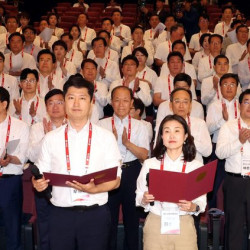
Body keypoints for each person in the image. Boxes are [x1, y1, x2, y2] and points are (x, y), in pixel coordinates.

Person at [32, 75, 122, 250]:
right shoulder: (51, 138)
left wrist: (95, 188)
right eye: (71, 98)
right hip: (60, 215)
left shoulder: (105, 137)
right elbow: (41, 174)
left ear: (91, 102)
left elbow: (116, 179)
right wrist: (38, 183)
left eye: (82, 98)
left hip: (95, 215)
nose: (76, 104)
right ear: (65, 101)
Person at [136, 114, 206, 250]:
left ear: (186, 136)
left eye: (177, 131)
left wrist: (193, 207)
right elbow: (138, 195)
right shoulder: (150, 164)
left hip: (183, 224)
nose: (171, 136)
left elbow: (201, 203)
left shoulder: (196, 166)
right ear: (162, 137)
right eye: (167, 131)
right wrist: (144, 199)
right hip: (156, 222)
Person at [98, 86, 149, 250]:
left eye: (126, 100)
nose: (121, 104)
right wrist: (111, 142)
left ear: (131, 102)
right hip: (109, 171)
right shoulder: (100, 125)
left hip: (132, 171)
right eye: (117, 100)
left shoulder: (141, 126)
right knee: (108, 219)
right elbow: (96, 155)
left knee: (132, 219)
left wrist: (127, 144)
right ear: (111, 102)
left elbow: (144, 156)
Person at [27, 89, 66, 250]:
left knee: (65, 222)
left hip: (65, 180)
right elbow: (30, 155)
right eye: (51, 103)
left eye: (59, 102)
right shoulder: (37, 128)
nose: (55, 106)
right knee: (44, 221)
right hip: (43, 180)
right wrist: (47, 137)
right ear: (46, 107)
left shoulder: (72, 126)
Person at [216, 89, 250, 250]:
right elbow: (220, 153)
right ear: (240, 104)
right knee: (234, 227)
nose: (249, 106)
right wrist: (239, 141)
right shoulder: (229, 127)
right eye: (246, 101)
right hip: (235, 181)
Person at [0, 86, 29, 250]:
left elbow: (24, 156)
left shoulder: (20, 126)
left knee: (12, 226)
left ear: (4, 104)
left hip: (9, 182)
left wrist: (10, 158)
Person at [206, 73, 240, 208]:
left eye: (232, 84)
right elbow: (208, 129)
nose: (229, 87)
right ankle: (214, 215)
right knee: (215, 184)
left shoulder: (243, 105)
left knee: (237, 183)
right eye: (225, 84)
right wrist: (222, 120)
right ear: (220, 87)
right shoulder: (214, 106)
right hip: (218, 149)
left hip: (239, 149)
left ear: (237, 87)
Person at [158, 88, 212, 163]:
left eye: (185, 102)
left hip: (193, 168)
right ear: (170, 105)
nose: (181, 105)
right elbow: (158, 150)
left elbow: (208, 152)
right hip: (170, 168)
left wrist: (189, 138)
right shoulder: (164, 125)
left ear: (190, 106)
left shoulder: (200, 124)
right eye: (177, 101)